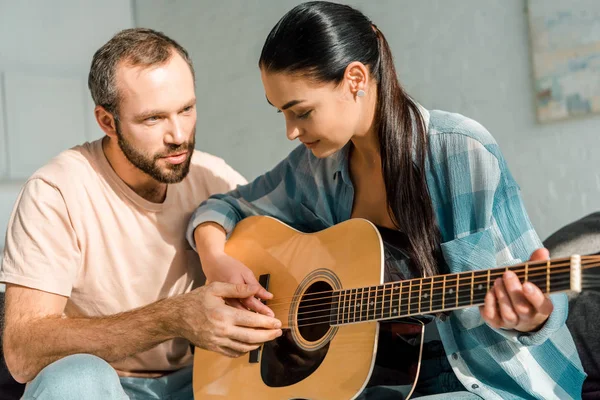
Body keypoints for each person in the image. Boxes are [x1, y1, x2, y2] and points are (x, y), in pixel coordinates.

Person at [187, 2, 585, 399]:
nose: (291, 131)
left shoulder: (462, 153)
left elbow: (542, 296)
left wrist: (533, 315)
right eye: (282, 114)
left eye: (302, 112)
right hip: (381, 384)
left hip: (484, 380)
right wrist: (215, 259)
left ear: (355, 78)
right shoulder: (314, 171)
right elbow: (223, 207)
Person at [1, 28, 281, 400]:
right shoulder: (55, 192)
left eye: (187, 109)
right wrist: (172, 317)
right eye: (153, 119)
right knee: (79, 378)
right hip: (106, 385)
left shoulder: (216, 179)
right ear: (107, 122)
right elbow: (22, 350)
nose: (179, 135)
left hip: (203, 381)